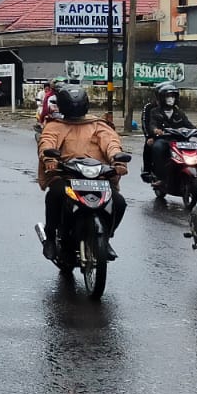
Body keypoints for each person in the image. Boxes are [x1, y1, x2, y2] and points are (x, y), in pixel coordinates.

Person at [36, 84, 128, 261]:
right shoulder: (55, 126)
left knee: (119, 202)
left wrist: (117, 159)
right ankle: (50, 238)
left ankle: (105, 237)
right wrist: (49, 159)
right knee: (55, 194)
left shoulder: (98, 125)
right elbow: (47, 142)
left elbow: (111, 143)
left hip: (97, 177)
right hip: (67, 175)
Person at [140, 81, 194, 189]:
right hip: (161, 138)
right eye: (168, 96)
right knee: (155, 147)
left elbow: (188, 124)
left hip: (177, 139)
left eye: (172, 96)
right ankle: (154, 174)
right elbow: (149, 124)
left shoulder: (178, 112)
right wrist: (152, 133)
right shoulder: (153, 110)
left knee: (191, 146)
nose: (170, 98)